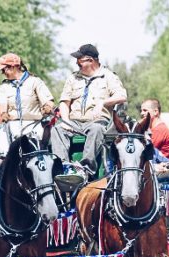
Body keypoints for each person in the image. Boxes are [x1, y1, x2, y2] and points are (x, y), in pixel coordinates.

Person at [52, 44, 127, 184]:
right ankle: (63, 167)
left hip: (96, 121)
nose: (76, 63)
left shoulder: (108, 76)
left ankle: (84, 169)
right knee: (57, 129)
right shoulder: (73, 78)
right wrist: (66, 120)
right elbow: (64, 102)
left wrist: (103, 102)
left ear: (90, 60)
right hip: (73, 121)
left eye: (79, 60)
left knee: (96, 129)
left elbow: (122, 95)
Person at [0, 53, 55, 157]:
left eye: (4, 69)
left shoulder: (35, 81)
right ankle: (1, 168)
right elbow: (2, 104)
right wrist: (3, 113)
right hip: (12, 125)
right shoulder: (4, 86)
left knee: (49, 141)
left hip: (34, 124)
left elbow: (48, 101)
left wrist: (47, 107)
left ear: (14, 67)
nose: (3, 73)